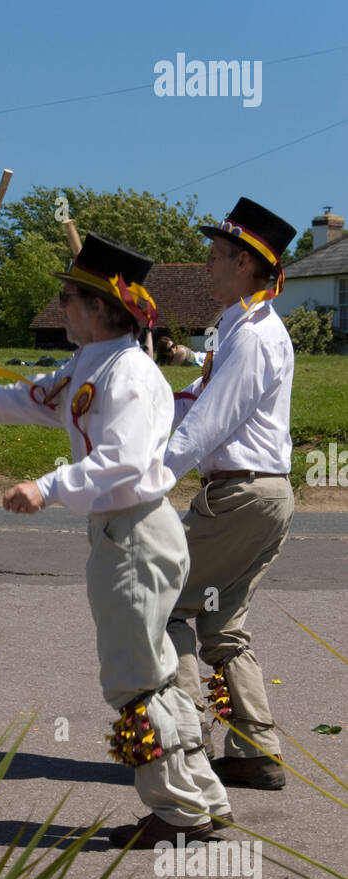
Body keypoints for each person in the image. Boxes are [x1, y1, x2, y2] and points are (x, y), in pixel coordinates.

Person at [0, 233, 231, 848]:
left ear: (102, 307)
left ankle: (180, 816)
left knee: (135, 678)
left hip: (136, 533)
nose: (61, 307)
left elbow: (124, 463)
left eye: (70, 297)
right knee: (151, 671)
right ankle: (199, 796)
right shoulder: (90, 364)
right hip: (124, 533)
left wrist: (47, 486)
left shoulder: (129, 372)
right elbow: (14, 399)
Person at [164, 197, 296, 789]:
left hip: (238, 496)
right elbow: (192, 400)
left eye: (216, 256)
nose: (208, 267)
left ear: (245, 265)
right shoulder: (241, 328)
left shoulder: (252, 336)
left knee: (161, 603)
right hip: (264, 496)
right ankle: (253, 752)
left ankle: (188, 751)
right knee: (221, 625)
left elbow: (209, 423)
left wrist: (148, 481)